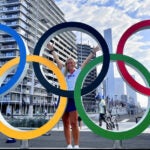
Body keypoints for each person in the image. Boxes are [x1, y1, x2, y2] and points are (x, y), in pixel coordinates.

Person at [47, 43, 101, 149]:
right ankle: (68, 144)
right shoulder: (64, 72)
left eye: (71, 62)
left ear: (74, 64)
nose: (70, 64)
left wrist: (93, 52)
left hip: (74, 99)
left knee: (74, 123)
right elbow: (58, 60)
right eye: (68, 63)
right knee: (65, 123)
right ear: (66, 65)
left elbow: (86, 62)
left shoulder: (78, 72)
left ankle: (76, 145)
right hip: (63, 98)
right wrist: (52, 50)